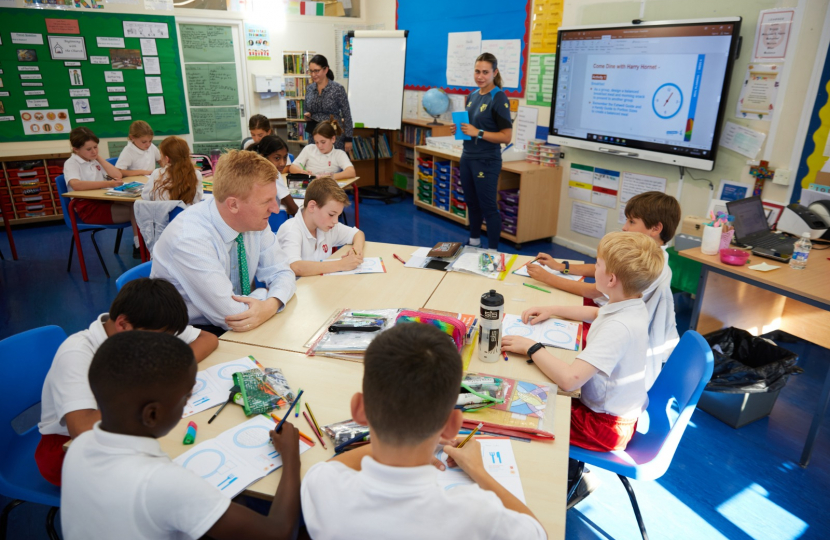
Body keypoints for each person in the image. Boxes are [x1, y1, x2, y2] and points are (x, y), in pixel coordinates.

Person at [300, 323, 547, 539]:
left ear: (358, 409)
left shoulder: (321, 485)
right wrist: (478, 470)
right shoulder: (477, 513)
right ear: (452, 425)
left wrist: (400, 448)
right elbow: (536, 532)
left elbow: (330, 467)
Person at [61, 331, 302, 540]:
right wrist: (291, 457)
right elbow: (280, 533)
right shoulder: (164, 483)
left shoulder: (80, 445)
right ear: (152, 414)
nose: (187, 403)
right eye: (186, 397)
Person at [501, 232, 664, 506]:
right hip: (612, 413)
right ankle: (572, 473)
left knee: (519, 411)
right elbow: (596, 313)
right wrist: (552, 309)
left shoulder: (619, 328)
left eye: (597, 265)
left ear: (610, 279)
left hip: (603, 427)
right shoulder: (631, 304)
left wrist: (531, 347)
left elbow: (569, 379)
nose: (594, 269)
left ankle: (548, 491)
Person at [35, 278, 218, 486]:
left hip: (122, 429)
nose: (161, 347)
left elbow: (208, 338)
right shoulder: (77, 353)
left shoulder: (150, 324)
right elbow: (82, 431)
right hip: (67, 451)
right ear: (123, 324)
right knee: (174, 480)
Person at [528, 191, 682, 385]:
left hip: (607, 396)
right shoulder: (650, 258)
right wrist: (561, 267)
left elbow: (594, 291)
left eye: (632, 222)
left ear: (655, 228)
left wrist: (548, 278)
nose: (625, 228)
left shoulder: (619, 324)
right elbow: (601, 273)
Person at [151, 150, 296, 335]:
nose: (276, 209)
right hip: (188, 335)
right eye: (266, 201)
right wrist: (267, 294)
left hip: (242, 326)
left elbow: (283, 271)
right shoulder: (190, 239)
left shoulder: (255, 221)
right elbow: (233, 317)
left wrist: (270, 303)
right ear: (233, 205)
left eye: (274, 198)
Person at [449, 53, 513, 251]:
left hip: (487, 160)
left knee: (488, 207)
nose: (480, 76)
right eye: (477, 71)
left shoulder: (499, 97)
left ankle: (493, 250)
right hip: (468, 157)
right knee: (472, 203)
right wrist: (460, 129)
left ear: (494, 72)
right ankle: (474, 242)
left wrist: (478, 132)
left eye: (485, 72)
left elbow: (506, 136)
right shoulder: (473, 96)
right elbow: (473, 127)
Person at [63, 127, 142, 258]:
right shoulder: (71, 163)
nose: (94, 151)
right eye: (89, 149)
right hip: (88, 208)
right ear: (76, 149)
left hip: (104, 200)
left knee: (141, 204)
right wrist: (108, 184)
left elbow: (117, 174)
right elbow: (76, 185)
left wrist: (98, 158)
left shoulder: (94, 159)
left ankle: (142, 244)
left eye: (96, 147)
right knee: (136, 210)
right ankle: (139, 246)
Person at [276, 176, 364, 276]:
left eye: (338, 216)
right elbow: (295, 267)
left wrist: (356, 250)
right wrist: (341, 264)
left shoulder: (325, 226)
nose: (335, 221)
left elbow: (358, 233)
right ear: (312, 206)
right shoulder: (291, 230)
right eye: (331, 214)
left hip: (317, 286)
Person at [303, 54, 354, 154]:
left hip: (333, 135)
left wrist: (348, 138)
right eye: (311, 71)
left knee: (334, 166)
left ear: (325, 70)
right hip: (315, 136)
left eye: (316, 71)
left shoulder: (337, 89)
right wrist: (307, 115)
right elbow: (306, 108)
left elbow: (347, 115)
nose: (313, 75)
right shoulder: (309, 88)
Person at [141, 135, 203, 205]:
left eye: (161, 155)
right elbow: (198, 198)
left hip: (162, 215)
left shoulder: (157, 173)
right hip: (186, 215)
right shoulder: (196, 174)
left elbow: (146, 197)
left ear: (167, 159)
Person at [288, 118, 356, 181]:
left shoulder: (339, 154)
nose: (319, 146)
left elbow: (351, 172)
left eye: (323, 142)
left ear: (333, 139)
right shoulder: (309, 149)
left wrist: (331, 177)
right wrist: (302, 172)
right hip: (310, 186)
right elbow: (292, 167)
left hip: (328, 188)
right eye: (316, 142)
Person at [250, 135, 299, 216]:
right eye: (277, 158)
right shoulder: (273, 174)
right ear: (263, 157)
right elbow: (293, 209)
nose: (283, 163)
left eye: (285, 157)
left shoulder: (254, 170)